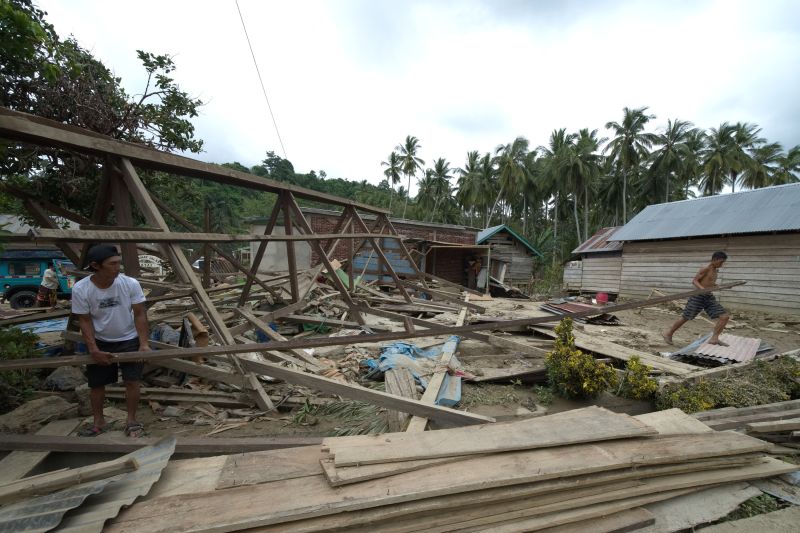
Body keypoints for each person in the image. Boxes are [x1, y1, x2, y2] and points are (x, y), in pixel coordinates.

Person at [72, 244, 150, 437]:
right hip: (101, 340)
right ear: (95, 265)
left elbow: (140, 314)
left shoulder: (129, 283)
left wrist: (144, 344)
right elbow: (84, 320)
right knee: (97, 384)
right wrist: (93, 349)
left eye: (118, 263)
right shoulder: (81, 289)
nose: (118, 267)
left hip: (129, 338)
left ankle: (131, 420)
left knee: (132, 381)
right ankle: (98, 421)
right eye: (112, 264)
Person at [663, 251, 730, 347]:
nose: (722, 264)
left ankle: (714, 338)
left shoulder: (715, 271)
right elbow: (694, 281)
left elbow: (709, 283)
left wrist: (719, 286)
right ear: (714, 260)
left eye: (723, 262)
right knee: (686, 317)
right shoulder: (705, 269)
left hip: (708, 296)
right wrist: (702, 289)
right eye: (721, 262)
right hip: (697, 296)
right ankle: (668, 333)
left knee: (724, 317)